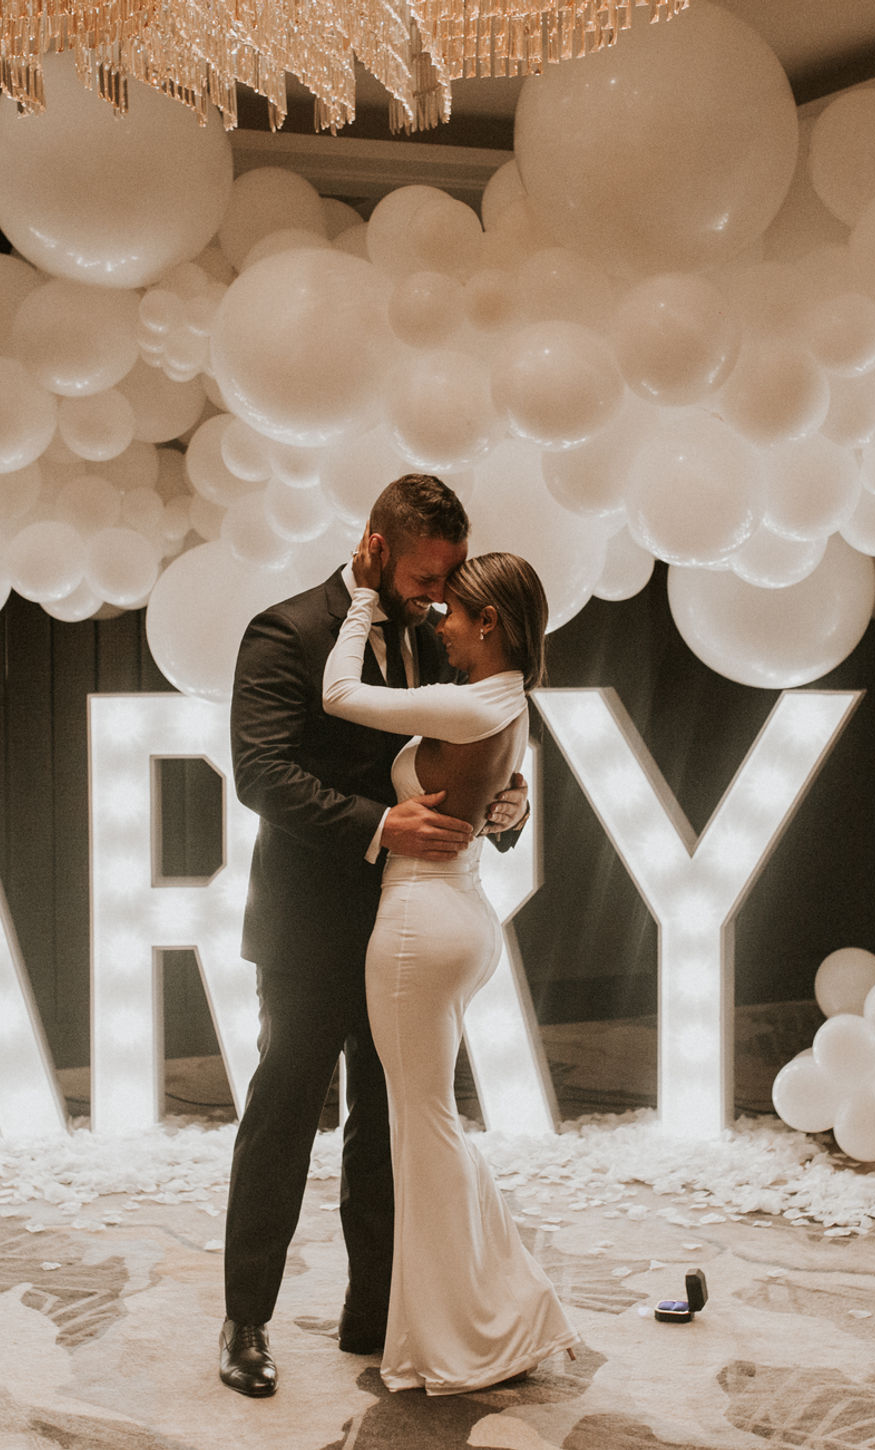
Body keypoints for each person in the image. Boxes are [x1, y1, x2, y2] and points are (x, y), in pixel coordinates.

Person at [220, 473, 528, 1398]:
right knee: (283, 1120)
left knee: (386, 1126)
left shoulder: (443, 640)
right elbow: (259, 772)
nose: (441, 597)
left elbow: (468, 747)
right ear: (376, 545)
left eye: (451, 578)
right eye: (427, 575)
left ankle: (375, 1313)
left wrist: (504, 802)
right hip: (312, 927)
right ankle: (245, 1322)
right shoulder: (286, 632)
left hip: (410, 932)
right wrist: (375, 825)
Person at [320, 539, 578, 1394]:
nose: (443, 626)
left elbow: (339, 695)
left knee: (422, 1131)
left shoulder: (476, 701)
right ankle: (495, 1308)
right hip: (457, 918)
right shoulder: (505, 700)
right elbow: (498, 791)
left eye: (455, 616)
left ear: (491, 622)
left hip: (420, 925)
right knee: (431, 1128)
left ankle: (468, 1331)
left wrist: (361, 598)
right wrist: (509, 801)